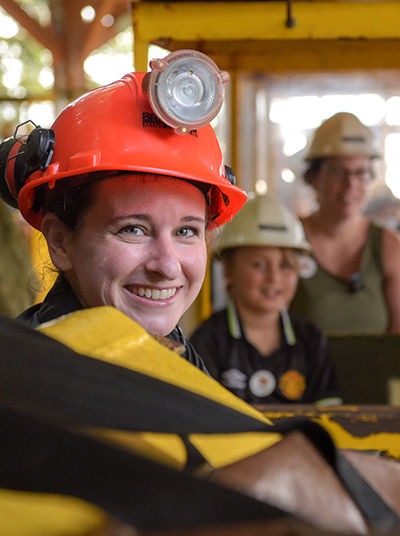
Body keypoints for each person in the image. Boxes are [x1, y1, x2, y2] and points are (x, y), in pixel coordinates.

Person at [0, 49, 247, 373]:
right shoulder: (25, 385)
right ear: (60, 241)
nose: (168, 266)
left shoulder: (175, 356)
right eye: (133, 229)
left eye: (186, 231)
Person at [190, 194, 342, 406]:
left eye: (285, 266)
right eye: (259, 265)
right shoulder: (208, 342)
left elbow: (329, 418)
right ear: (229, 271)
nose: (274, 278)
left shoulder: (311, 340)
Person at [290, 112, 400, 334]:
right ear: (313, 177)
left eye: (360, 173)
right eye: (338, 172)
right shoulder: (290, 239)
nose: (350, 185)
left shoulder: (388, 246)